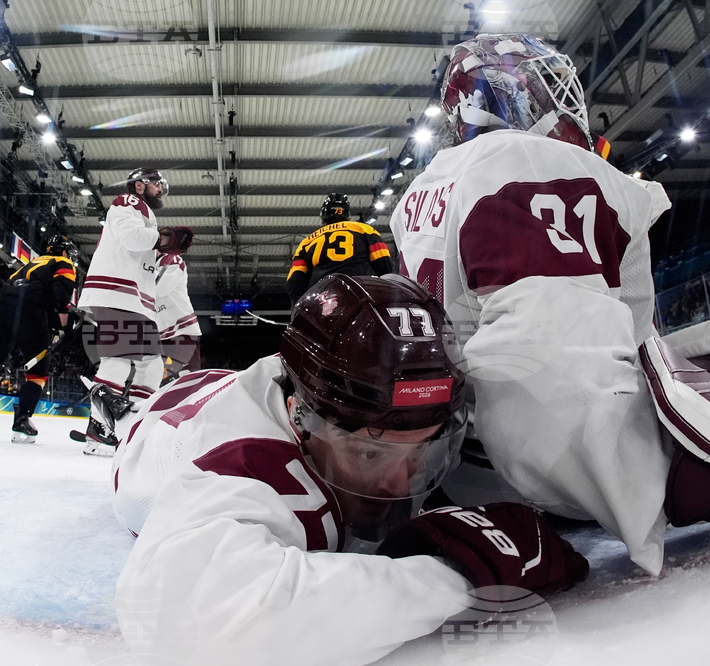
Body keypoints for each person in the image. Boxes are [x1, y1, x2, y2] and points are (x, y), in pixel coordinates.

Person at [390, 33, 710, 575]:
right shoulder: (525, 158)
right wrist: (683, 484)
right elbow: (541, 368)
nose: (562, 100)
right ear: (512, 92)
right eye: (544, 84)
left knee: (706, 346)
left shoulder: (428, 188)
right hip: (548, 465)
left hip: (469, 468)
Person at [108, 274, 587, 665]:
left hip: (227, 384)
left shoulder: (340, 402)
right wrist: (456, 573)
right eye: (371, 454)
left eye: (423, 453)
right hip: (158, 424)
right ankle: (114, 408)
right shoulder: (241, 462)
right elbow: (196, 627)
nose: (401, 485)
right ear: (302, 419)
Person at [76, 166, 192, 455]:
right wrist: (167, 238)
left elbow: (141, 249)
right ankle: (98, 429)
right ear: (139, 185)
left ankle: (133, 426)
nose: (160, 190)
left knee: (151, 365)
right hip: (116, 293)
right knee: (117, 362)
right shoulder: (128, 202)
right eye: (156, 184)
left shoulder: (145, 213)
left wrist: (165, 246)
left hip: (131, 298)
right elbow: (132, 238)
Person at [0, 235, 79, 442]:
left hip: (4, 305)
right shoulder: (63, 262)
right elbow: (60, 294)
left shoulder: (30, 264)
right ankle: (22, 419)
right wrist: (65, 326)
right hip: (30, 310)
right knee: (38, 370)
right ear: (63, 251)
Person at [285, 192, 393, 304]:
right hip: (362, 295)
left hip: (322, 300)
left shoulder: (307, 242)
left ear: (323, 214)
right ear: (346, 213)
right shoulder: (365, 229)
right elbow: (385, 267)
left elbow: (294, 285)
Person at [153, 240, 201, 384]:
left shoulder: (172, 260)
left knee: (186, 379)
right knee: (163, 381)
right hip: (162, 333)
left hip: (181, 330)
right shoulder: (148, 266)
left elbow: (160, 290)